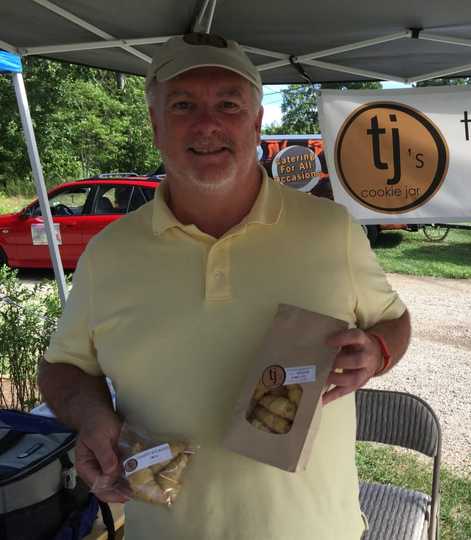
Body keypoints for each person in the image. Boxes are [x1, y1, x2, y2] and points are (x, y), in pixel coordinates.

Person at [38, 33, 411, 540]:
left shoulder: (331, 231)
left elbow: (394, 320)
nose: (207, 123)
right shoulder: (109, 254)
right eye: (183, 104)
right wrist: (90, 416)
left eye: (229, 104)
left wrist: (379, 351)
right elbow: (63, 367)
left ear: (256, 123)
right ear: (156, 125)